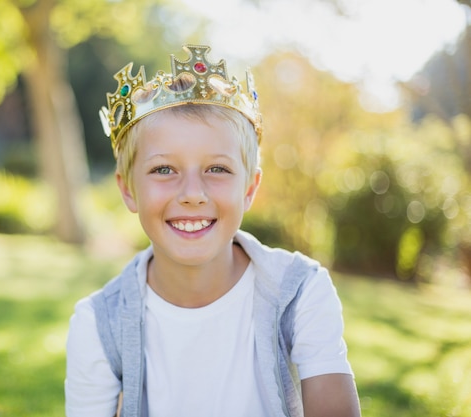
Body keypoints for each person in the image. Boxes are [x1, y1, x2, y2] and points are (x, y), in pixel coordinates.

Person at [65, 44, 361, 417]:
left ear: (250, 189)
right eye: (163, 169)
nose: (192, 194)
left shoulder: (300, 294)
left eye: (217, 169)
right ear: (128, 189)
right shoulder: (98, 324)